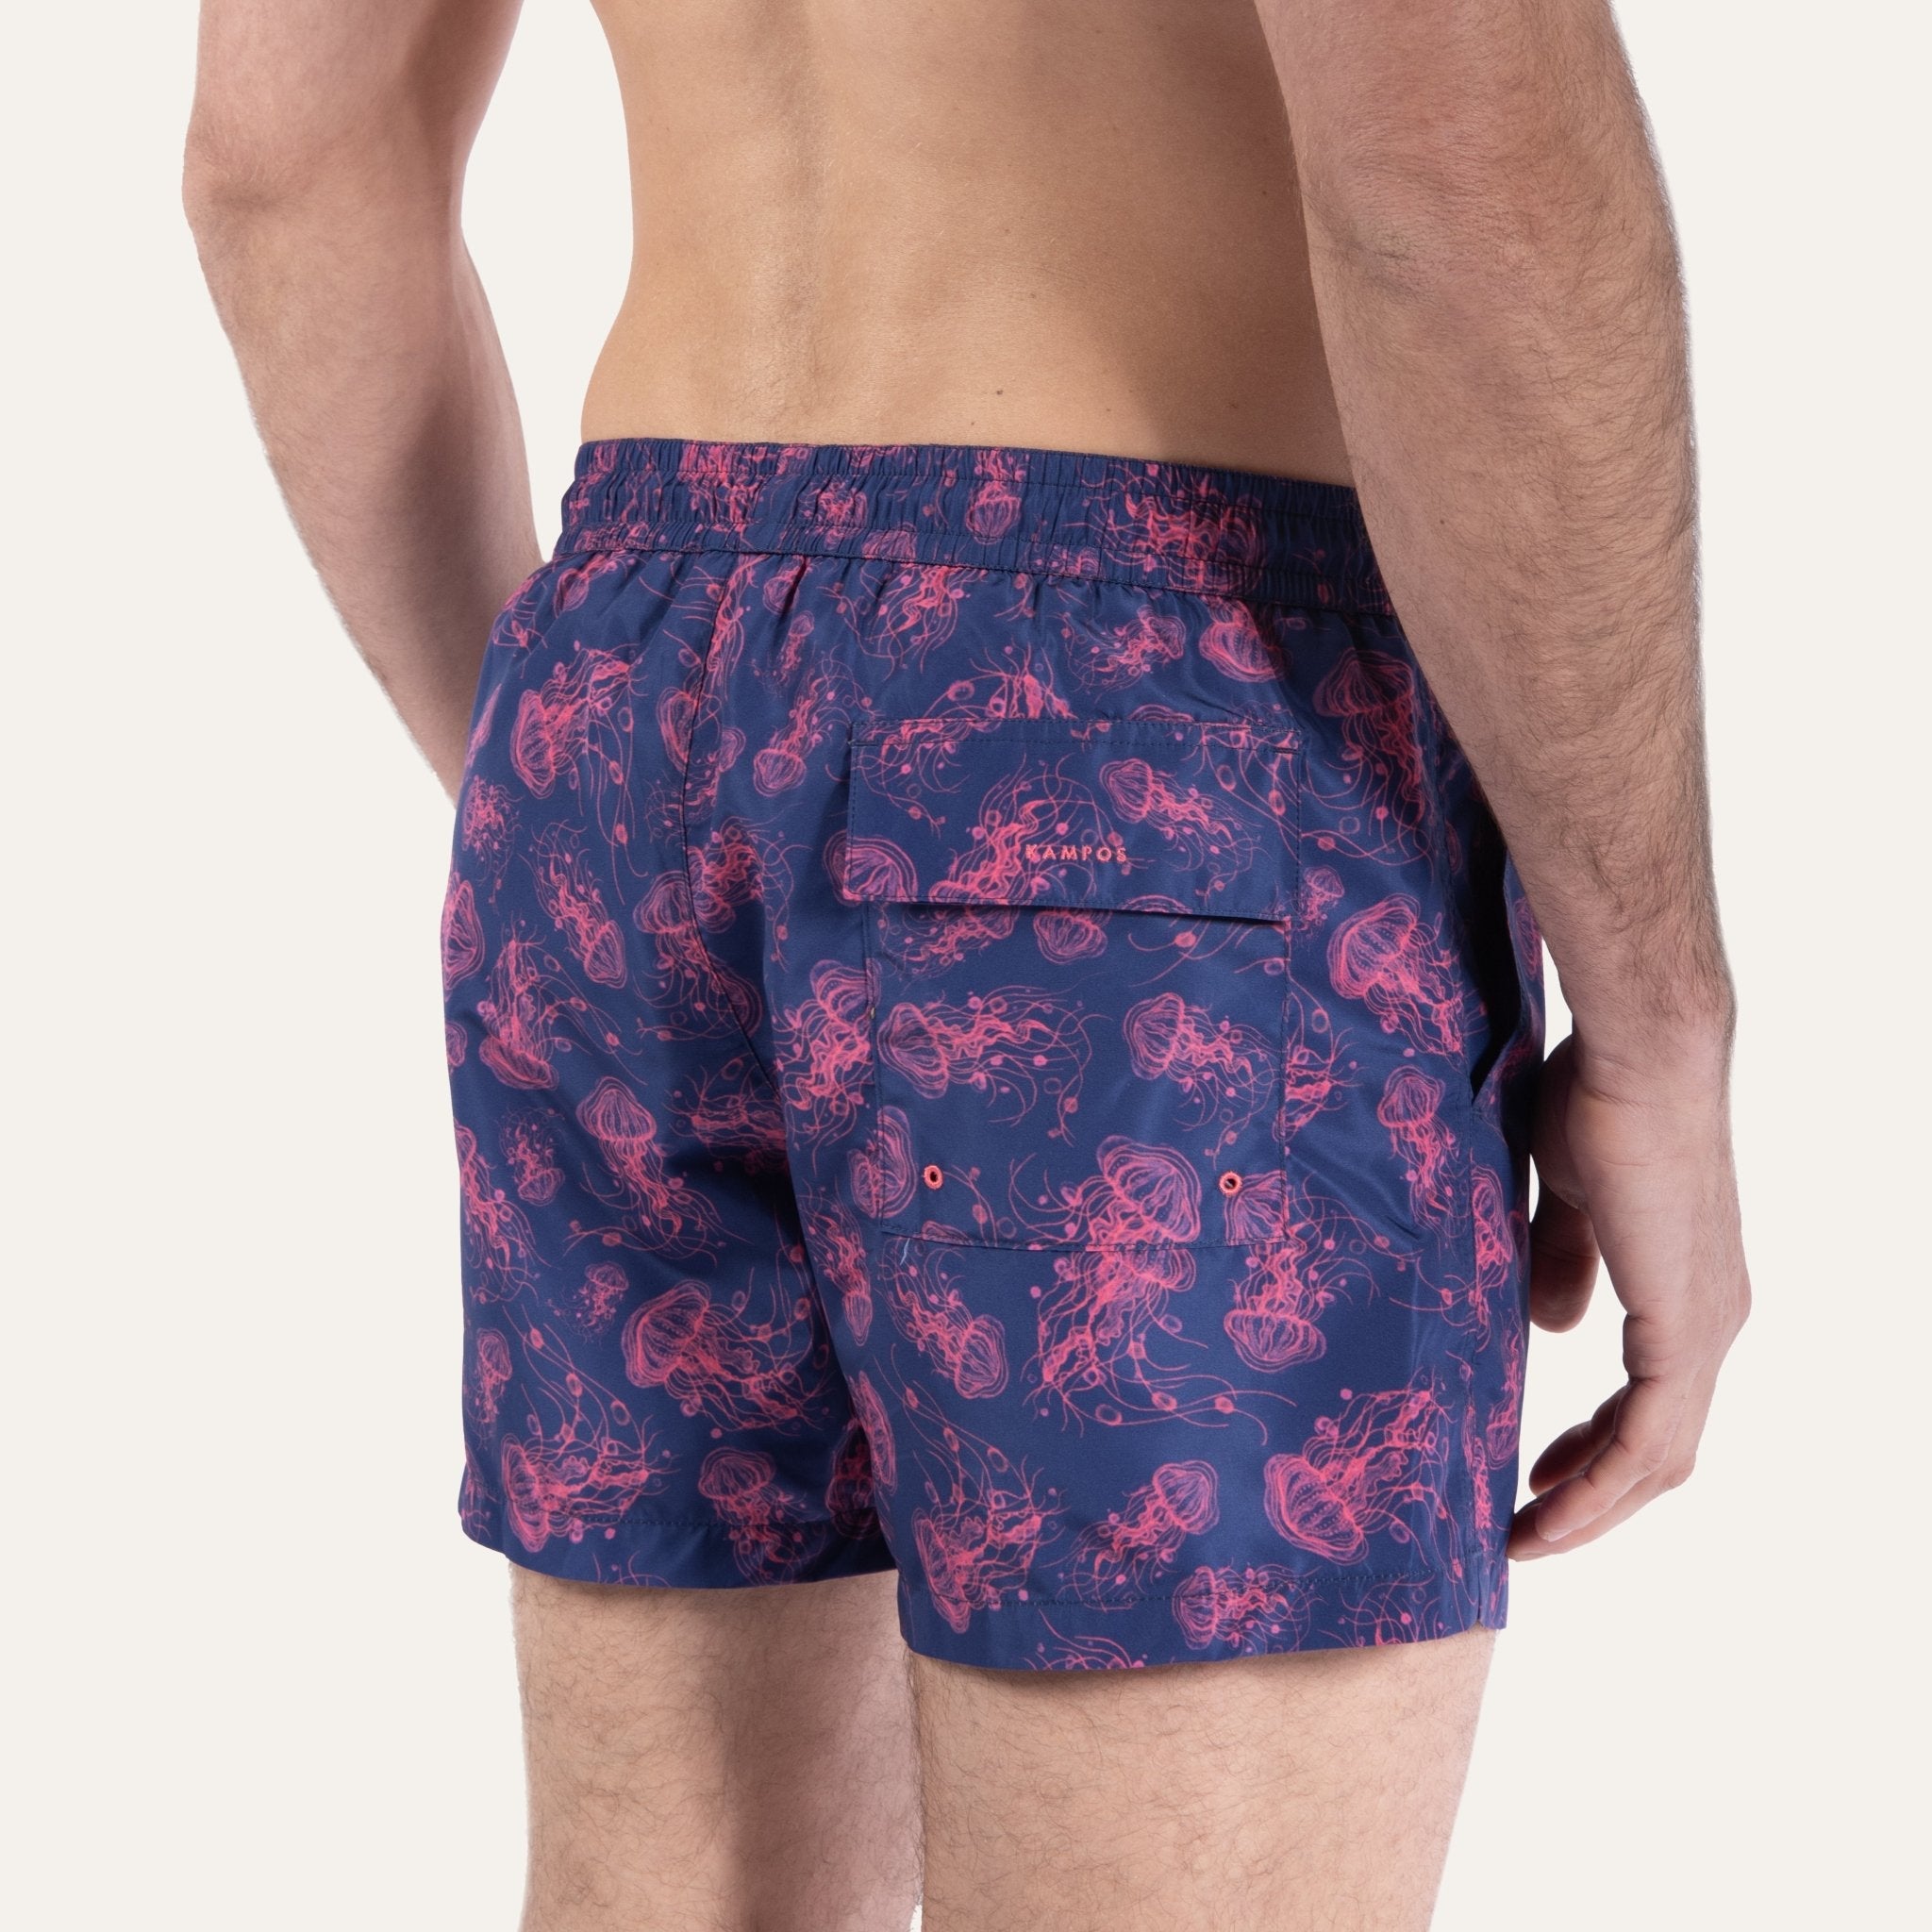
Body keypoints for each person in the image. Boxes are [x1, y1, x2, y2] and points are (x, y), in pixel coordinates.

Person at [183, 2, 1751, 1925]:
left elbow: (280, 157)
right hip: (1141, 731)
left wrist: (576, 807)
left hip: (629, 675)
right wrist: (1657, 1020)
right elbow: (1456, 169)